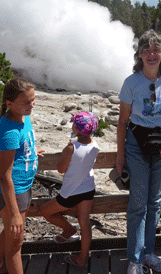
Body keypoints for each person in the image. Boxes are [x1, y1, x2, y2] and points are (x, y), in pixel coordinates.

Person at [116, 29, 161, 274]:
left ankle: (149, 253)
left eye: (156, 50)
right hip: (137, 145)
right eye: (147, 50)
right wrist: (120, 154)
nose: (152, 54)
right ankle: (134, 260)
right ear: (140, 55)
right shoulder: (131, 82)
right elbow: (122, 121)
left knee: (154, 203)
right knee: (137, 204)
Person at [40, 111, 99, 270]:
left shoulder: (71, 147)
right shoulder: (95, 145)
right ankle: (81, 259)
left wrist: (68, 149)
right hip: (88, 189)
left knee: (45, 211)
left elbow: (60, 169)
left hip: (71, 192)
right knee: (85, 223)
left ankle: (68, 229)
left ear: (77, 128)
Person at [0, 78, 44, 274]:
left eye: (33, 99)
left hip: (23, 188)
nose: (31, 105)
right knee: (15, 248)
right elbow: (4, 176)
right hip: (14, 192)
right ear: (9, 104)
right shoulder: (8, 131)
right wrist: (15, 214)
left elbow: (20, 147)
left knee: (10, 237)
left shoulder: (23, 116)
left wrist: (31, 151)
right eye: (27, 102)